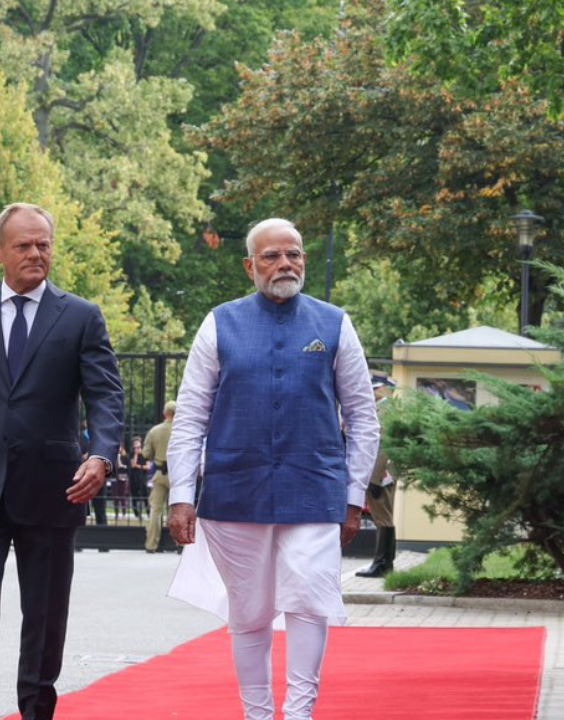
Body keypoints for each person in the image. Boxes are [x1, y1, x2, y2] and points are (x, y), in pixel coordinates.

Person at [167, 217, 380, 720]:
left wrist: (354, 496)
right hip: (234, 491)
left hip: (315, 489)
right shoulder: (220, 323)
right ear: (250, 266)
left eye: (295, 254)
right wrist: (181, 493)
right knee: (250, 611)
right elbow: (192, 411)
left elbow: (363, 417)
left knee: (309, 597)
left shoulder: (334, 323)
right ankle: (257, 713)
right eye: (272, 256)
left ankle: (300, 711)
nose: (286, 264)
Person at [0, 202, 125, 720]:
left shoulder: (81, 316)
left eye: (44, 244)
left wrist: (101, 455)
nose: (36, 253)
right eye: (23, 245)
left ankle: (36, 711)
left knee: (45, 617)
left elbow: (107, 398)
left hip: (56, 491)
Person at [356, 376, 398, 578]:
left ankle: (382, 563)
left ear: (382, 389)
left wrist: (374, 478)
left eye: (374, 389)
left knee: (383, 517)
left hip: (381, 473)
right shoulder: (385, 409)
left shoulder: (385, 411)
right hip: (381, 472)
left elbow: (384, 447)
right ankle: (385, 562)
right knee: (384, 517)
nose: (371, 393)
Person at [142, 402, 175, 552]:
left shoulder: (155, 431)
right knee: (176, 508)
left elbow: (146, 454)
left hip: (160, 473)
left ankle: (151, 545)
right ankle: (179, 543)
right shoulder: (181, 430)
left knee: (155, 510)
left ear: (164, 413)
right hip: (178, 475)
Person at [126, 435, 149, 520]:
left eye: (138, 447)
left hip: (142, 478)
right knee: (134, 497)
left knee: (145, 496)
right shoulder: (131, 455)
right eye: (135, 447)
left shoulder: (145, 455)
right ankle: (137, 515)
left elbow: (148, 467)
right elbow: (132, 465)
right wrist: (136, 454)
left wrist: (138, 466)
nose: (137, 449)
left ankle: (148, 513)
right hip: (133, 478)